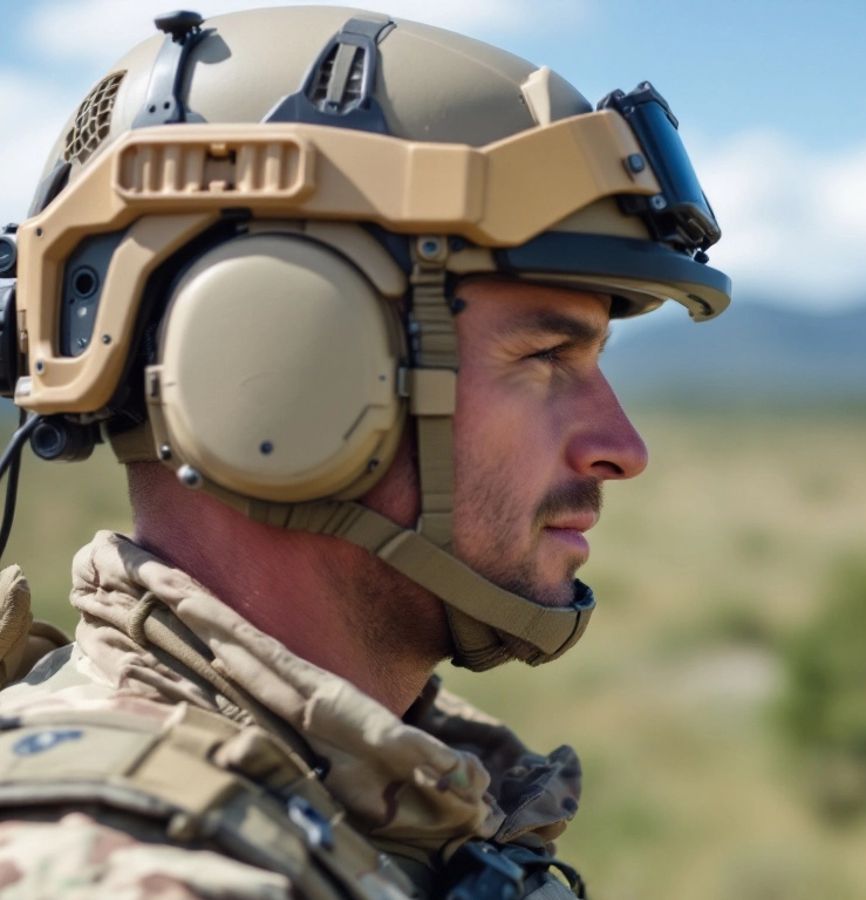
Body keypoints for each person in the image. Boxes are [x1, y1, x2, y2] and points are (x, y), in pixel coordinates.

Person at [0, 5, 730, 897]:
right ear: (276, 365)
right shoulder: (129, 871)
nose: (624, 449)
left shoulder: (394, 807)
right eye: (546, 357)